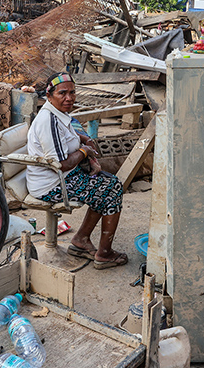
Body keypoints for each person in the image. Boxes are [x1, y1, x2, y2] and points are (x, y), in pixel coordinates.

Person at [26, 72, 128, 269]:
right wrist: (85, 151)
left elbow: (71, 132)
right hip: (52, 184)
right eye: (62, 93)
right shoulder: (48, 120)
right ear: (49, 95)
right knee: (112, 188)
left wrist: (84, 139)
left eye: (72, 93)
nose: (69, 98)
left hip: (63, 176)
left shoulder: (59, 113)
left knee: (107, 183)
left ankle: (81, 240)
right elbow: (61, 164)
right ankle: (104, 254)